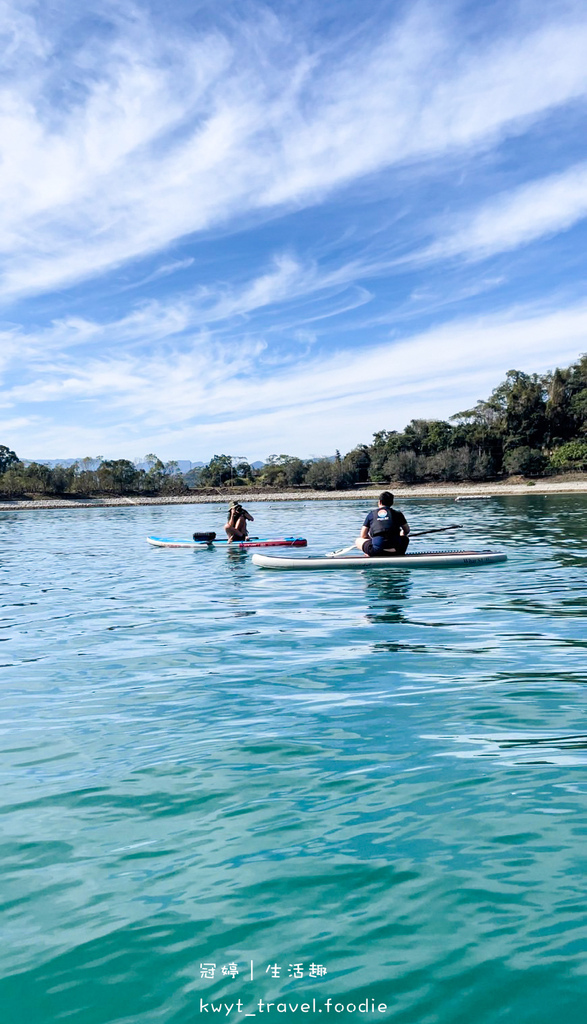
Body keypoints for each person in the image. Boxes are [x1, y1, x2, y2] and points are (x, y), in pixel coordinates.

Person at [356, 491, 410, 557]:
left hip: (377, 551)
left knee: (358, 540)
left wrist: (372, 541)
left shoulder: (371, 514)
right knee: (405, 538)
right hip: (397, 550)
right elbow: (407, 531)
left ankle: (369, 553)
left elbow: (363, 535)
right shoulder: (398, 514)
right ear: (392, 503)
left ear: (380, 502)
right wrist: (402, 534)